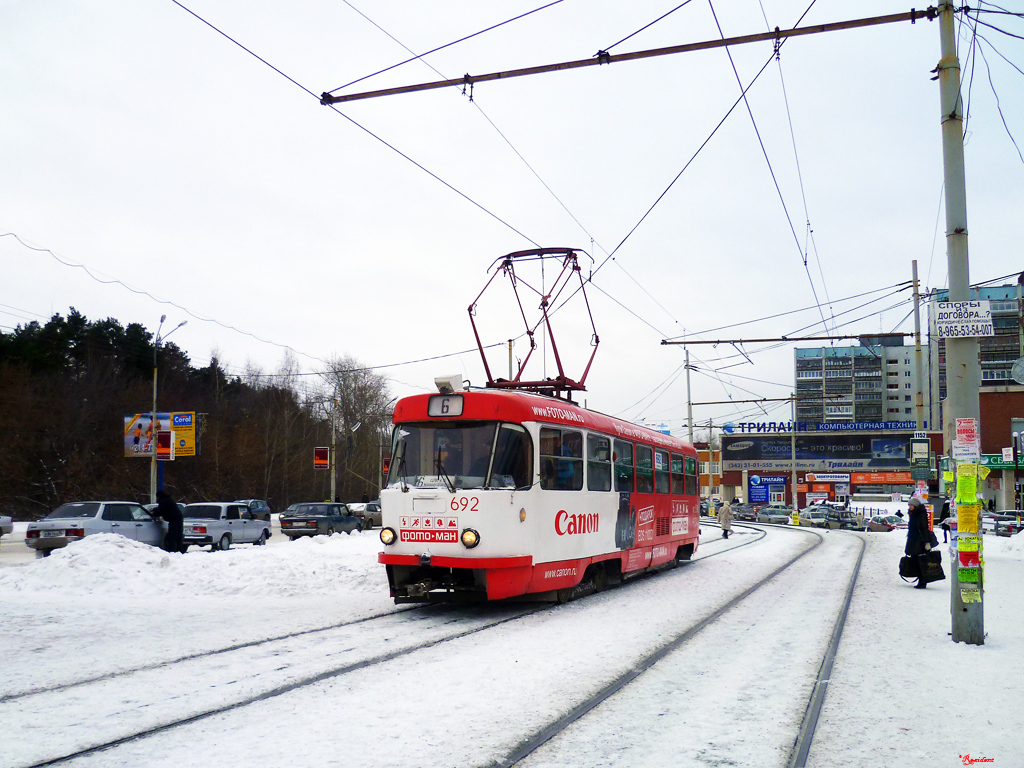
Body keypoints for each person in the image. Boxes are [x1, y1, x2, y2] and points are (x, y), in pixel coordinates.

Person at [905, 496, 934, 589]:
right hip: (913, 540)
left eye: (911, 505)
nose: (910, 506)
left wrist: (927, 542)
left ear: (916, 505)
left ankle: (922, 581)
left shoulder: (920, 514)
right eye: (909, 505)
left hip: (919, 541)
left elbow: (924, 528)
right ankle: (921, 580)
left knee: (920, 562)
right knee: (915, 561)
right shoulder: (914, 513)